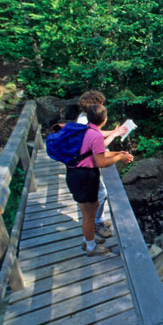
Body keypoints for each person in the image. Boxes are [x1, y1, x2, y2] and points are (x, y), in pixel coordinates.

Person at [66, 104, 133, 256]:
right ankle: (90, 248)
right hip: (83, 177)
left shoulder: (85, 130)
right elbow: (100, 161)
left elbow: (95, 152)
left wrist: (117, 153)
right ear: (104, 119)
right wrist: (118, 157)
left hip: (75, 174)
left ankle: (88, 239)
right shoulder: (95, 135)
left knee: (90, 210)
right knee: (89, 216)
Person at [77, 90, 127, 239]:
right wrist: (114, 136)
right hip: (84, 168)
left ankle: (97, 220)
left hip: (81, 167)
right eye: (101, 105)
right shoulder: (83, 123)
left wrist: (114, 131)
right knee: (100, 193)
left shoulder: (84, 118)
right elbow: (97, 146)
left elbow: (96, 132)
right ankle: (96, 224)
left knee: (98, 194)